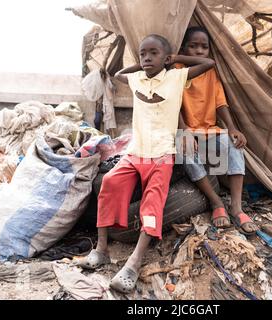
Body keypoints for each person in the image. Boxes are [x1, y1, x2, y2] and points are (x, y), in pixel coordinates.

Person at [77, 34, 216, 294]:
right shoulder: (137, 78)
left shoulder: (176, 77)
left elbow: (208, 63)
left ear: (166, 57)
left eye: (153, 53)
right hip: (136, 153)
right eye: (143, 54)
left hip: (162, 154)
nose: (147, 58)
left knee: (153, 202)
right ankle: (102, 250)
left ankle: (134, 262)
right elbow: (118, 73)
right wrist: (142, 65)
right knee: (108, 183)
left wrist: (175, 60)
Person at [177, 26, 259, 234]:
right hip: (185, 130)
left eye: (204, 47)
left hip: (209, 130)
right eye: (193, 46)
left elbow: (220, 103)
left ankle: (236, 207)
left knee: (234, 144)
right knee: (183, 149)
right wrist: (185, 130)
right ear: (183, 48)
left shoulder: (211, 72)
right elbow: (173, 104)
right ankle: (216, 202)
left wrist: (232, 128)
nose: (198, 51)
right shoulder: (177, 71)